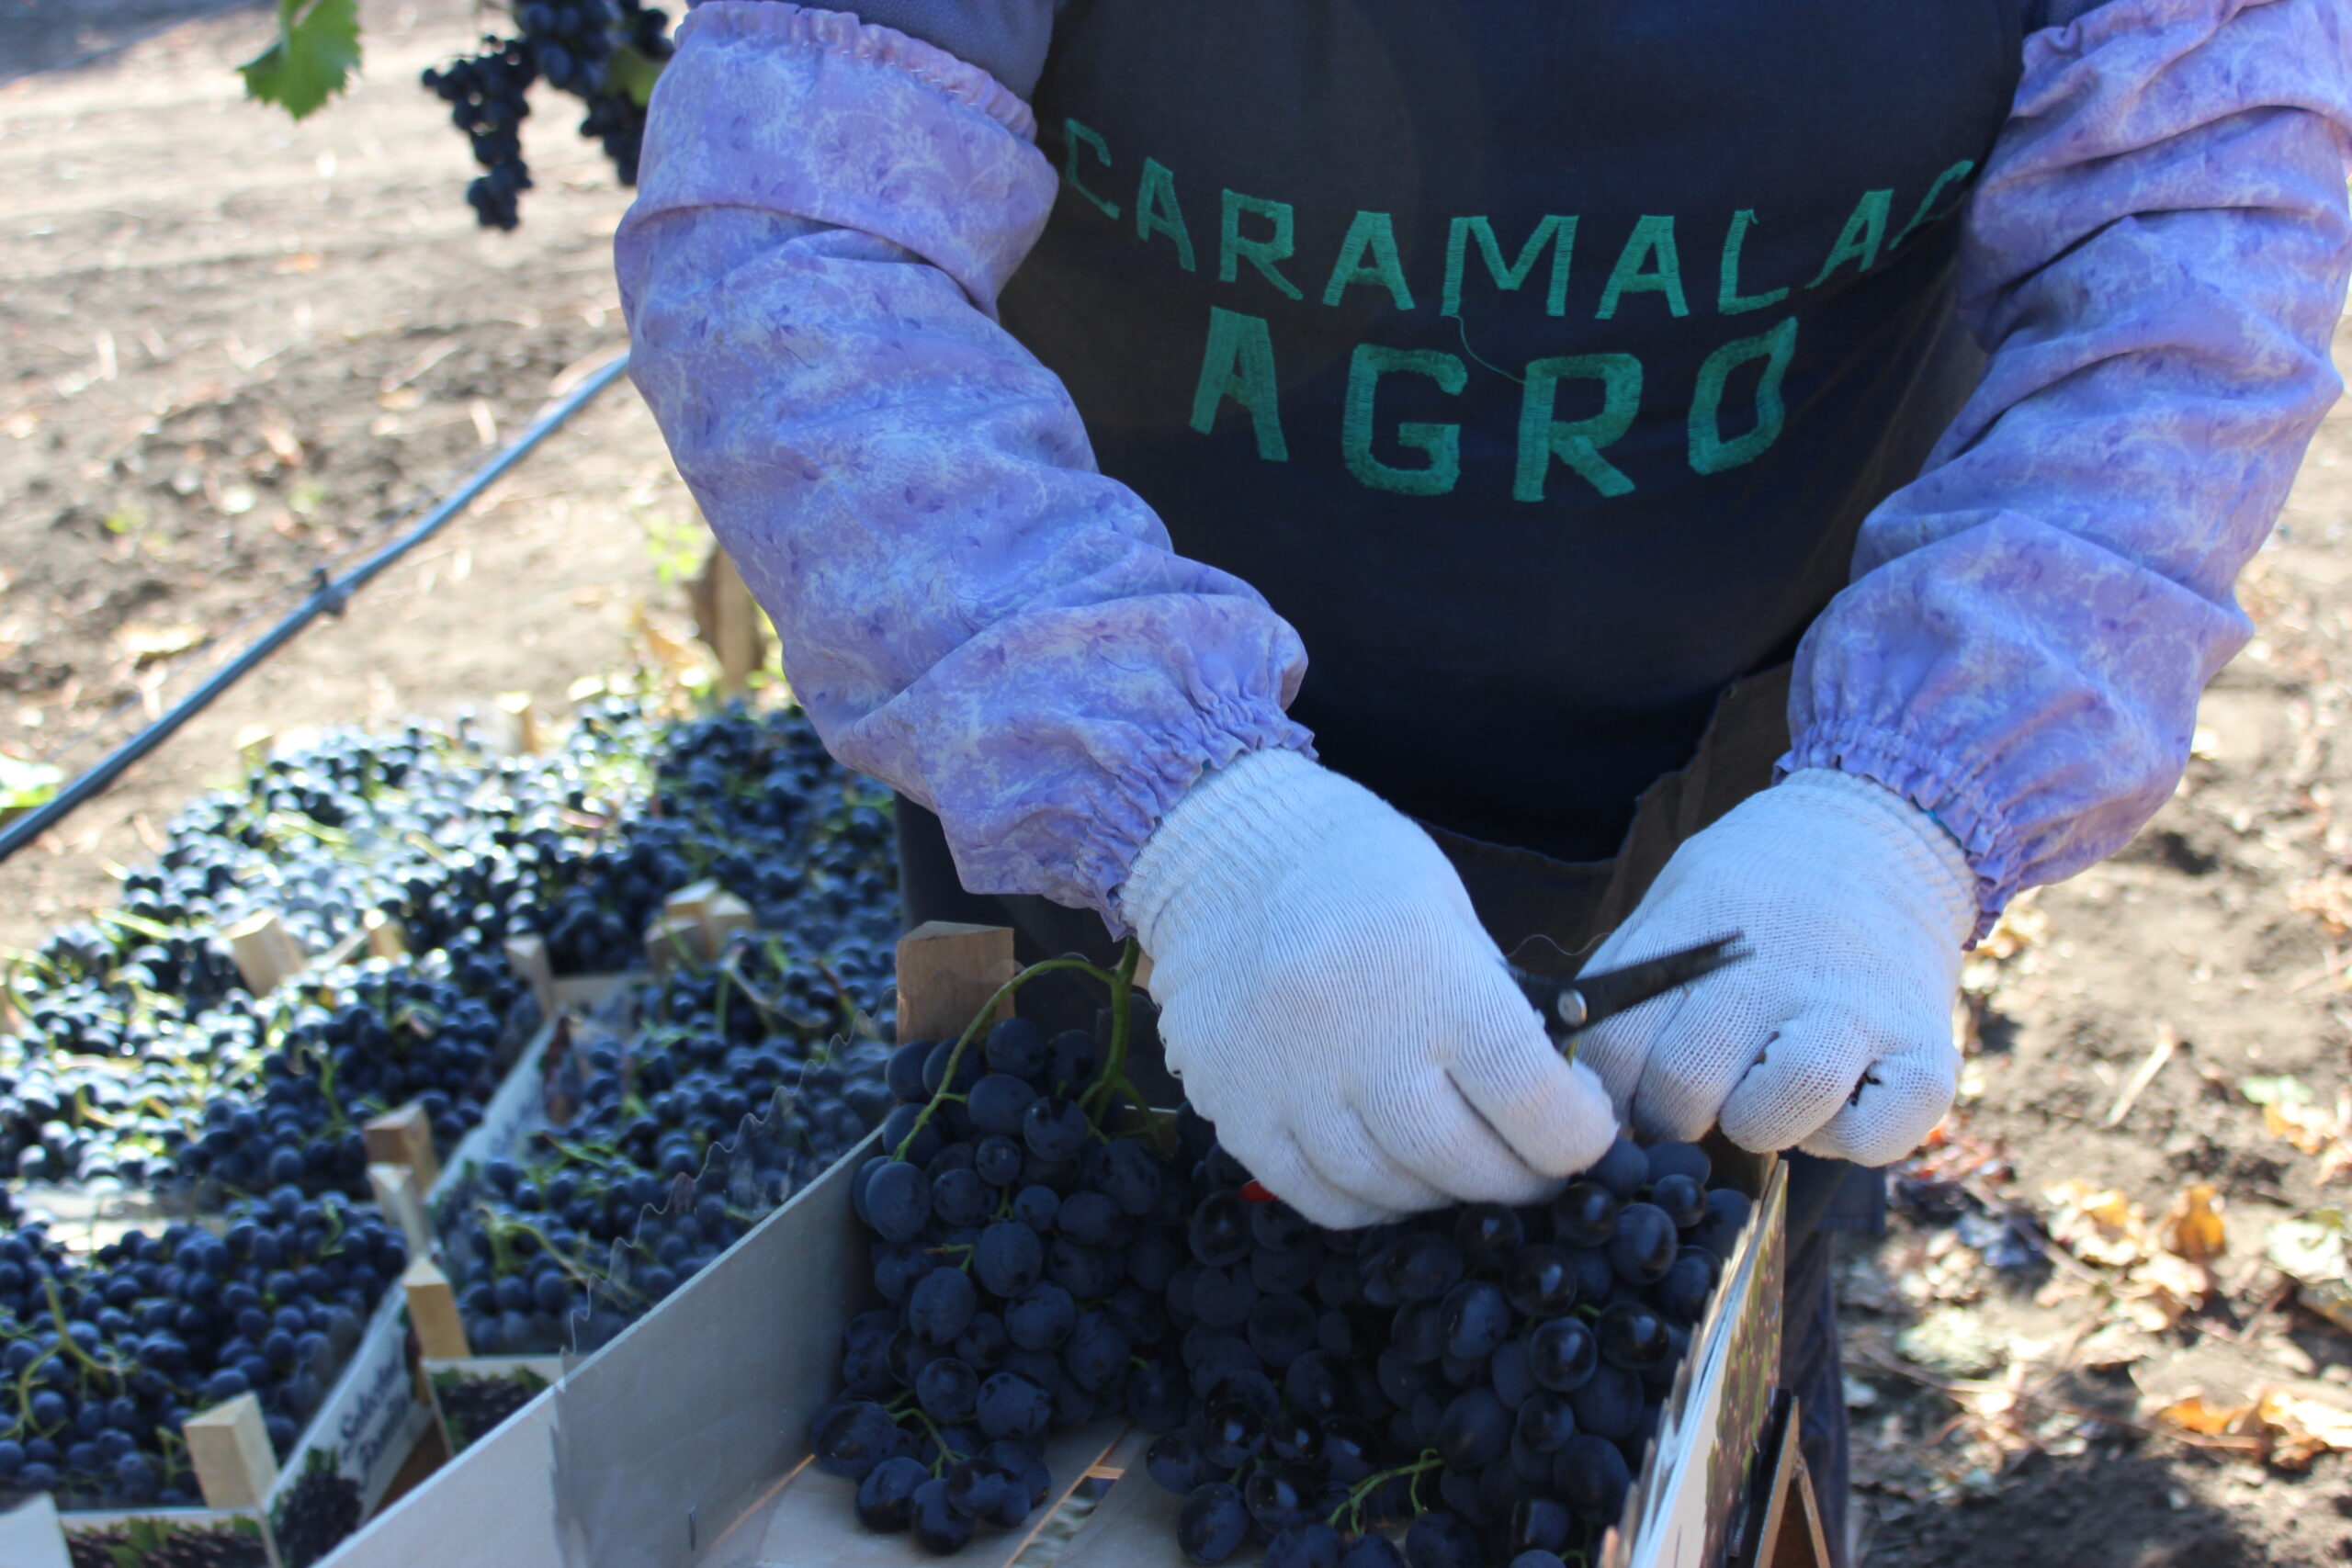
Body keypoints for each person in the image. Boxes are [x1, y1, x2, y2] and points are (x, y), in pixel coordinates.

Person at [615, 2, 2352, 1559]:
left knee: (1656, 1389)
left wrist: (1909, 799)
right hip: (1097, 821)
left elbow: (2200, 258)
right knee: (1097, 1316)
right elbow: (792, 227)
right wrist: (1193, 814)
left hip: (1746, 844)